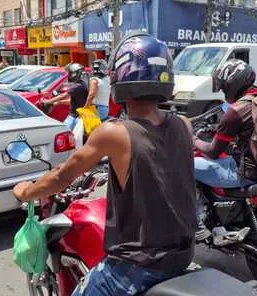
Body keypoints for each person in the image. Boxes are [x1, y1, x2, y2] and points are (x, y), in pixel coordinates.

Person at [12, 33, 196, 296]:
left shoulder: (114, 133)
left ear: (121, 76)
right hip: (183, 255)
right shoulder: (184, 125)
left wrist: (25, 191)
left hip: (138, 265)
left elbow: (62, 176)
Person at [192, 59, 257, 189]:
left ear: (232, 84)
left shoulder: (236, 110)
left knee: (181, 164)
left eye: (224, 88)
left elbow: (212, 152)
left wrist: (193, 139)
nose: (224, 92)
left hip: (244, 174)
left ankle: (195, 208)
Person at [41, 63, 88, 130]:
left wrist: (47, 102)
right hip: (74, 114)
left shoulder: (78, 85)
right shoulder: (79, 83)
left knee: (71, 133)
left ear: (75, 74)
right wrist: (58, 103)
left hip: (80, 115)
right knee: (66, 131)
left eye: (70, 73)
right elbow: (71, 100)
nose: (68, 75)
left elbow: (63, 95)